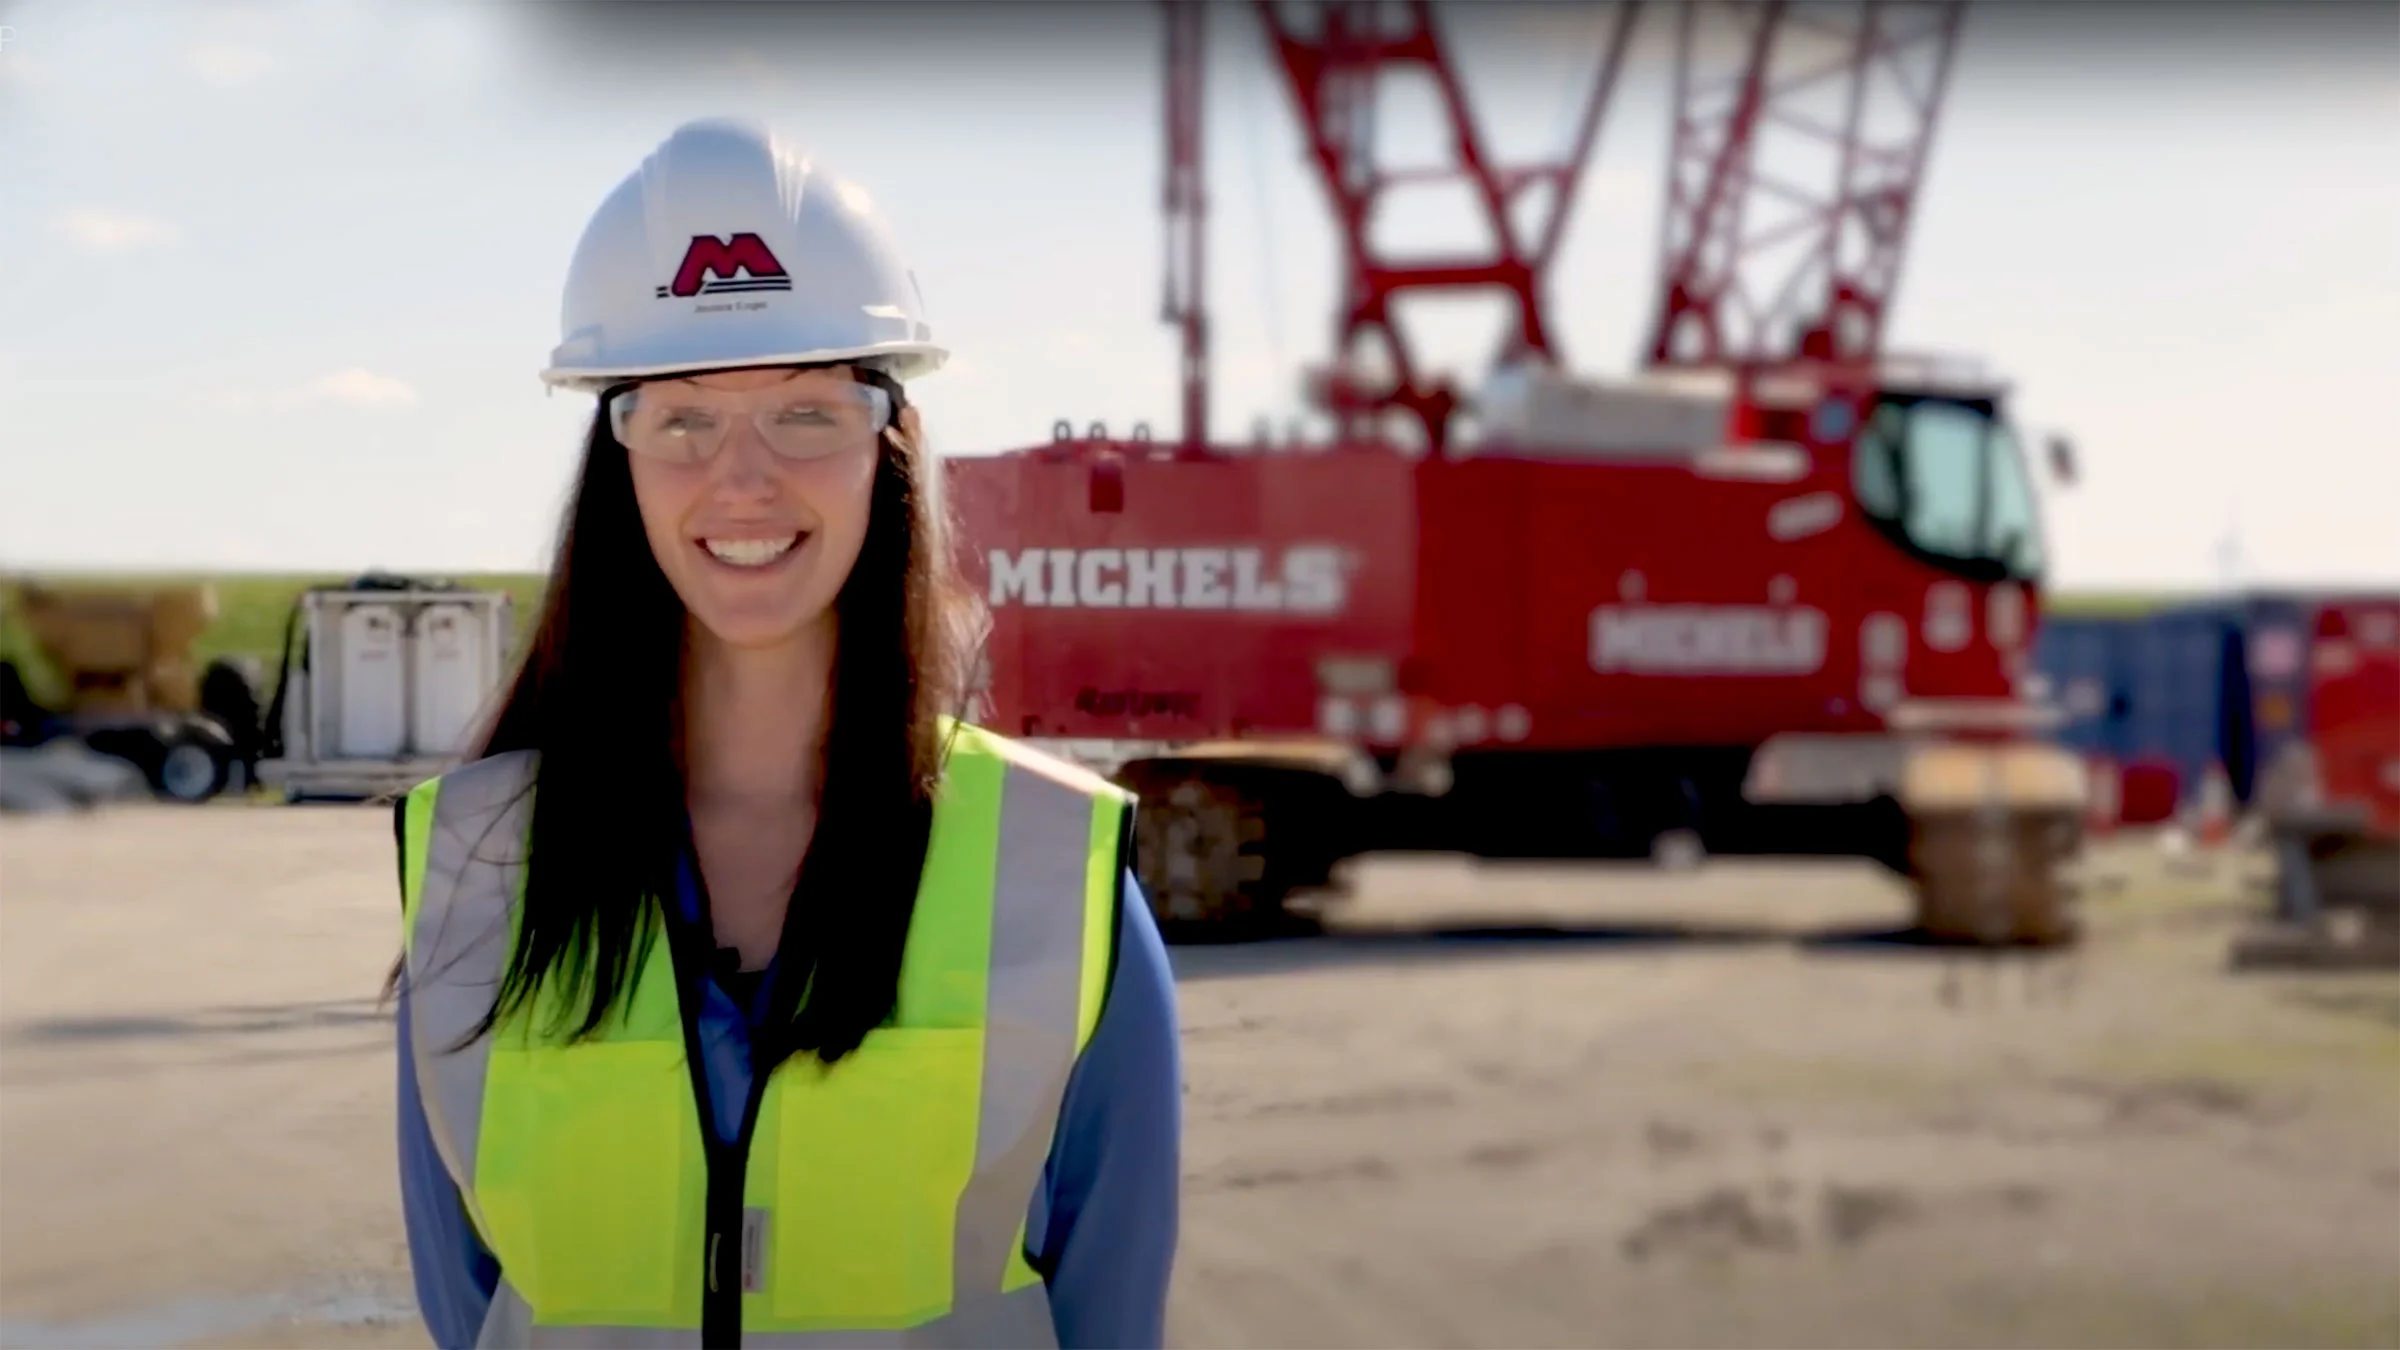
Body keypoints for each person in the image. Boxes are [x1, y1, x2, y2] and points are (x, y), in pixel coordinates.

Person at [391, 117, 1183, 1350]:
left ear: (889, 446)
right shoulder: (475, 874)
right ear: (621, 458)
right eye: (683, 417)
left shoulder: (1058, 877)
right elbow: (474, 1310)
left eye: (807, 412)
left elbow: (1110, 1313)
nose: (743, 477)